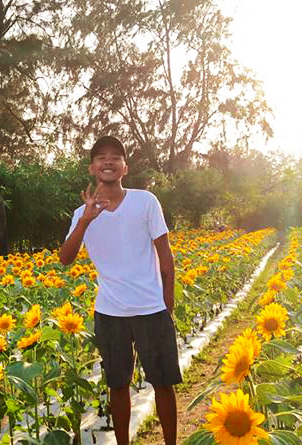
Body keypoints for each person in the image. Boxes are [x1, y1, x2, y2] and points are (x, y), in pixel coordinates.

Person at [59, 135, 180, 445]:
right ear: (92, 167)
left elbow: (165, 253)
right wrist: (85, 221)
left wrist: (168, 302)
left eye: (115, 156)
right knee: (117, 384)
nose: (108, 161)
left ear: (125, 167)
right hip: (109, 311)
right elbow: (65, 259)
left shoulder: (145, 201)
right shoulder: (80, 214)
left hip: (151, 308)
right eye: (101, 157)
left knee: (163, 382)